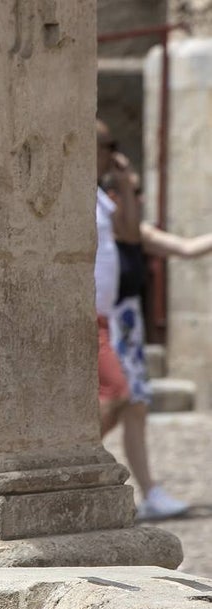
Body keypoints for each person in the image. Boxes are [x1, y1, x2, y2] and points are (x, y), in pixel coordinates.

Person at [101, 155, 212, 521]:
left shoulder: (138, 233)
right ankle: (74, 458)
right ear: (112, 196)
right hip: (110, 325)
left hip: (129, 326)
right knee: (118, 399)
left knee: (135, 407)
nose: (140, 199)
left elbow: (188, 248)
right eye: (133, 192)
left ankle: (149, 490)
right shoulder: (106, 230)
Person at [95, 121, 131, 438]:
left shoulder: (100, 197)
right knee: (117, 392)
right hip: (89, 316)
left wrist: (125, 184)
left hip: (105, 316)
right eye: (110, 146)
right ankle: (80, 457)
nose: (114, 154)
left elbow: (130, 232)